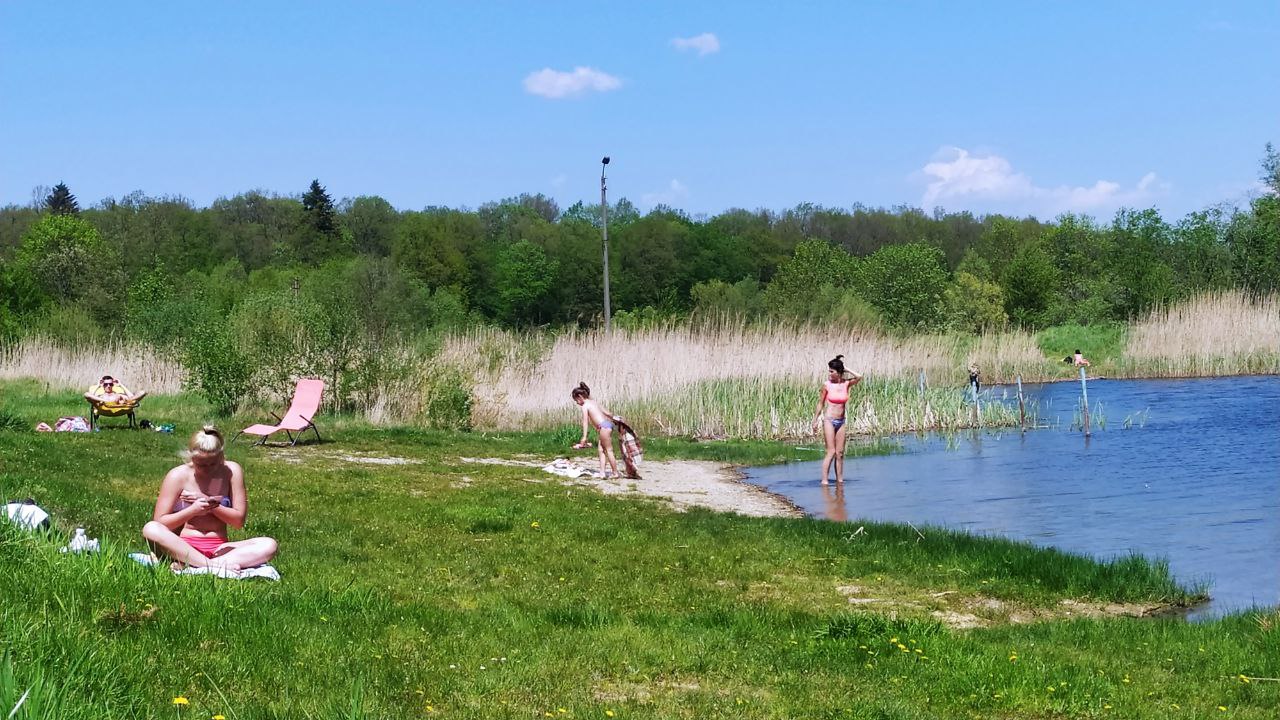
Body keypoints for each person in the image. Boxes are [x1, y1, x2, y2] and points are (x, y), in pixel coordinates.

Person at [141, 425, 277, 571]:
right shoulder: (177, 475)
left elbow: (238, 521)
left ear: (221, 456)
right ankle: (211, 565)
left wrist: (210, 504)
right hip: (184, 545)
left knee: (269, 544)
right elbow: (160, 522)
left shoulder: (231, 471)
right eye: (201, 464)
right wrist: (192, 510)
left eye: (213, 463)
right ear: (191, 457)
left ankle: (197, 564)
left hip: (220, 548)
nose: (208, 469)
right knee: (151, 528)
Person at [812, 354, 863, 485]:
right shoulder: (827, 385)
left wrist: (846, 368)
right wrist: (815, 419)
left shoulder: (846, 384)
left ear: (839, 372)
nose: (829, 373)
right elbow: (820, 403)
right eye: (829, 371)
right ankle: (824, 481)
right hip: (829, 420)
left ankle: (839, 481)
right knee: (831, 451)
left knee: (840, 453)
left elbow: (859, 377)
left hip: (841, 421)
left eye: (832, 371)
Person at [571, 382, 622, 479]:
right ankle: (602, 472)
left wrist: (584, 437)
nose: (577, 403)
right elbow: (607, 413)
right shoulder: (594, 402)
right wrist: (615, 418)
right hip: (607, 425)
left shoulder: (585, 406)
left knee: (609, 450)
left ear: (580, 396)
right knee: (601, 450)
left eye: (576, 400)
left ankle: (615, 473)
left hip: (603, 427)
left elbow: (585, 422)